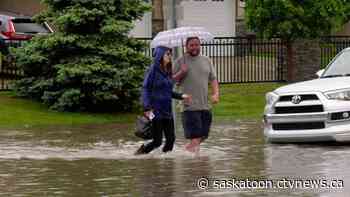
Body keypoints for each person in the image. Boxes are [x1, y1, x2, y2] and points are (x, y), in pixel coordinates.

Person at [135, 46, 192, 155]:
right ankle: (140, 153)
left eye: (170, 54)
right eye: (167, 54)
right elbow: (146, 88)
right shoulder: (152, 70)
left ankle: (165, 160)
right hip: (154, 111)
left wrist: (182, 96)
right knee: (157, 141)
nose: (170, 56)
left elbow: (168, 92)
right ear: (160, 55)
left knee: (171, 139)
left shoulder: (168, 71)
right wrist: (147, 107)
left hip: (167, 111)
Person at [173, 37, 220, 153]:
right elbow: (171, 80)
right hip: (189, 106)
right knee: (195, 138)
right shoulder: (180, 61)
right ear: (186, 46)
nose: (194, 47)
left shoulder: (206, 60)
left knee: (203, 136)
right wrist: (181, 72)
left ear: (200, 45)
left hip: (205, 106)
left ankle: (184, 155)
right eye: (191, 45)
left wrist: (216, 94)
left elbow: (213, 79)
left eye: (196, 45)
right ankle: (194, 165)